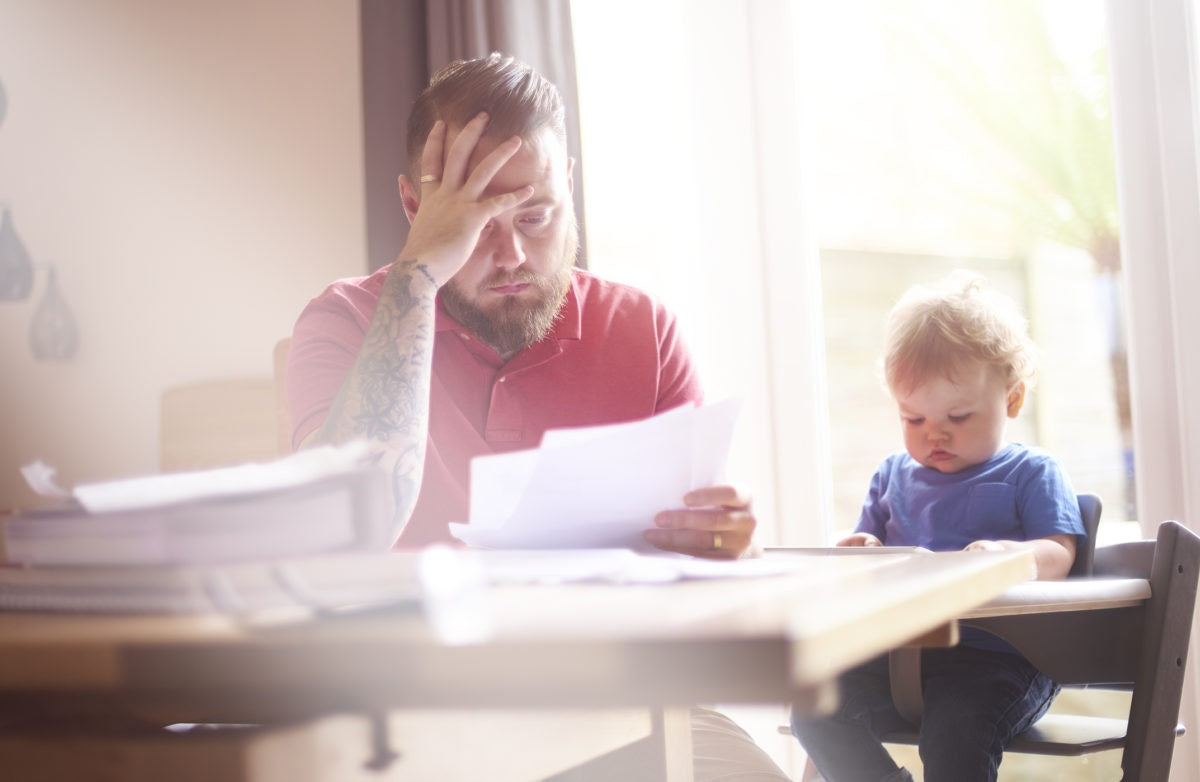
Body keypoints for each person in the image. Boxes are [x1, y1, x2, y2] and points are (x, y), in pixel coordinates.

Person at [288, 53, 789, 780]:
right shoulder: (341, 322)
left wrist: (724, 548)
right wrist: (418, 278)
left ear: (571, 186)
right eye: (476, 222)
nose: (512, 253)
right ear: (414, 211)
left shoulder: (644, 329)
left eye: (536, 215)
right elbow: (345, 529)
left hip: (627, 707)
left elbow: (696, 592)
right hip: (410, 715)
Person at [790, 272, 1087, 782]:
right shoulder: (891, 475)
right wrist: (860, 548)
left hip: (1001, 662)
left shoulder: (1030, 472)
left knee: (955, 735)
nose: (934, 434)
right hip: (899, 659)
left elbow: (1061, 552)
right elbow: (869, 559)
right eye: (913, 419)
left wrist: (1009, 558)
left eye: (959, 415)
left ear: (1012, 400)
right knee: (813, 708)